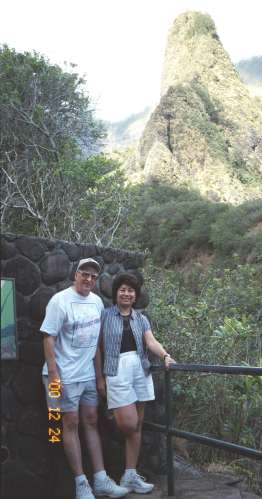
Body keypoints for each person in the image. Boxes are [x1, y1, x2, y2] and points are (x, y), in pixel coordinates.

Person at [40, 258, 128, 499]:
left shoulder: (97, 302)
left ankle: (100, 479)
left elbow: (97, 343)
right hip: (63, 376)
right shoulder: (60, 301)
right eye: (84, 274)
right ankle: (81, 484)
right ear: (75, 274)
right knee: (68, 422)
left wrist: (99, 377)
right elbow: (48, 338)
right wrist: (55, 375)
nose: (89, 279)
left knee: (90, 419)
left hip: (87, 374)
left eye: (93, 276)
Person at [95, 272, 175, 494]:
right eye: (122, 289)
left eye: (131, 290)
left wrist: (165, 355)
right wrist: (100, 378)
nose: (127, 293)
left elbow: (151, 342)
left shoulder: (141, 318)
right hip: (116, 369)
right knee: (129, 424)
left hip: (140, 369)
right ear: (116, 293)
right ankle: (127, 472)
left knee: (137, 426)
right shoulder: (105, 315)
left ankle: (130, 475)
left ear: (135, 295)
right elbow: (98, 348)